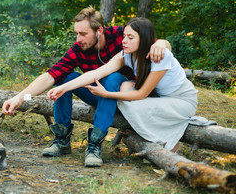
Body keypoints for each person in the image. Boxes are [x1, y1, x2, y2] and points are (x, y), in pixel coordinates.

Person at [2, 7, 171, 167]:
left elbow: (156, 43)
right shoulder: (79, 49)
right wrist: (19, 97)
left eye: (83, 34)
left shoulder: (122, 36)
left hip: (127, 99)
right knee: (64, 76)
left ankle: (94, 144)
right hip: (98, 95)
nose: (78, 39)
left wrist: (162, 43)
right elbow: (50, 75)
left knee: (113, 77)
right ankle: (62, 141)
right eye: (76, 33)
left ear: (99, 31)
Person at [47, 17, 198, 159]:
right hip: (159, 98)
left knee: (125, 96)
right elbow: (96, 73)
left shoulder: (160, 55)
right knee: (121, 87)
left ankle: (166, 142)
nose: (124, 41)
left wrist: (106, 94)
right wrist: (64, 88)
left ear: (144, 39)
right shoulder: (126, 55)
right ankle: (62, 141)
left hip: (181, 100)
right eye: (124, 36)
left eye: (130, 38)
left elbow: (141, 94)